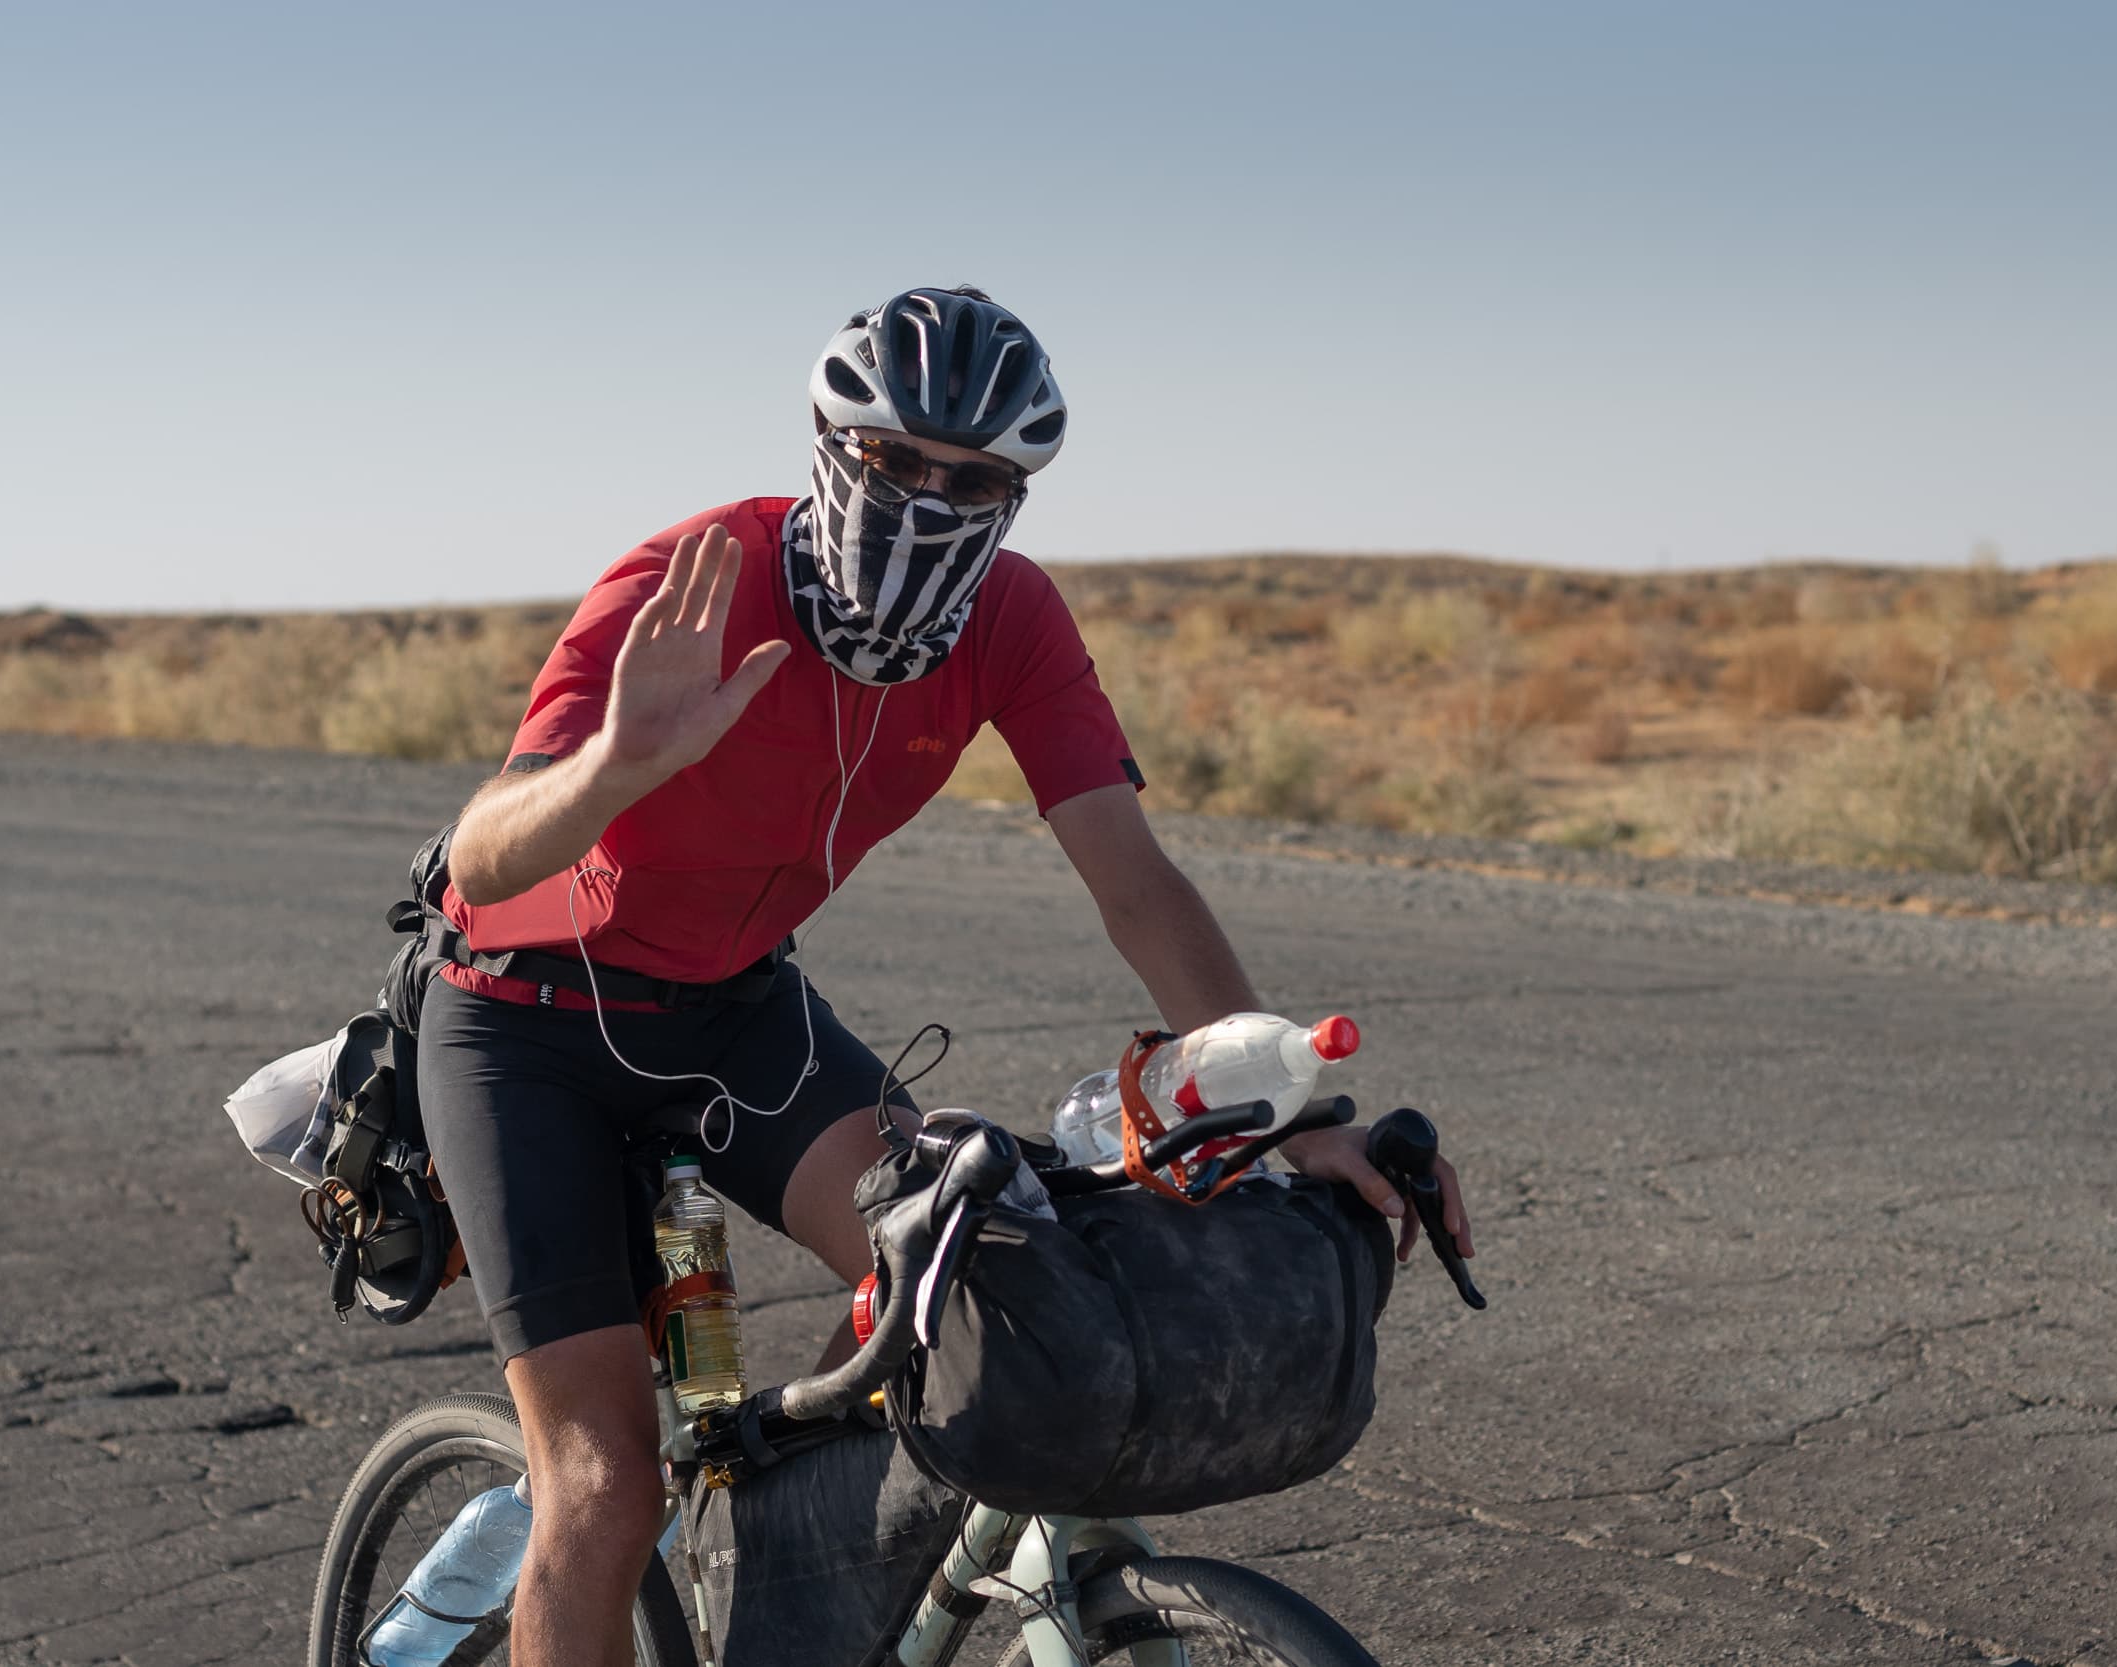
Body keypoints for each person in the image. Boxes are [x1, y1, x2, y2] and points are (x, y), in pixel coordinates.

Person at [416, 286, 1473, 1667]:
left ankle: (794, 1572)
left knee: (993, 1306)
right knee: (607, 1487)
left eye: (971, 479)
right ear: (828, 443)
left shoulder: (1010, 622)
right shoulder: (696, 579)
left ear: (1014, 495)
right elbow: (479, 864)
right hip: (524, 1030)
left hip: (735, 1015)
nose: (927, 499)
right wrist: (619, 766)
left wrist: (1297, 1105)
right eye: (894, 460)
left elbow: (1138, 884)